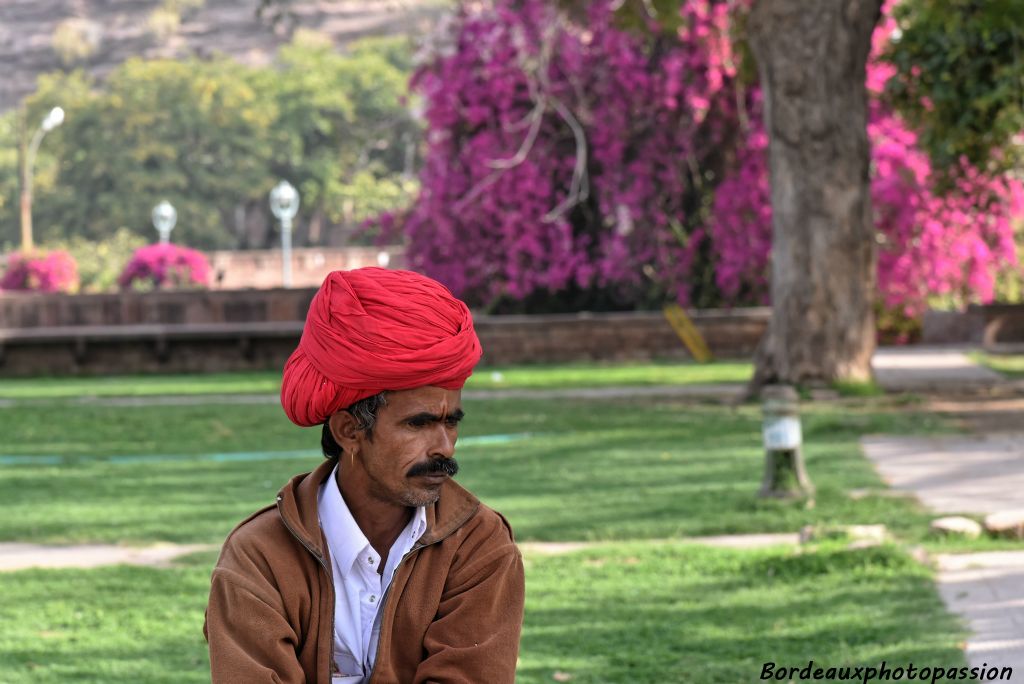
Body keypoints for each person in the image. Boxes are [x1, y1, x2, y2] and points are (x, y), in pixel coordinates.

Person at [204, 268, 525, 683]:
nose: (444, 447)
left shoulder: (478, 545)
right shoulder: (260, 557)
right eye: (419, 424)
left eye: (451, 423)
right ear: (349, 431)